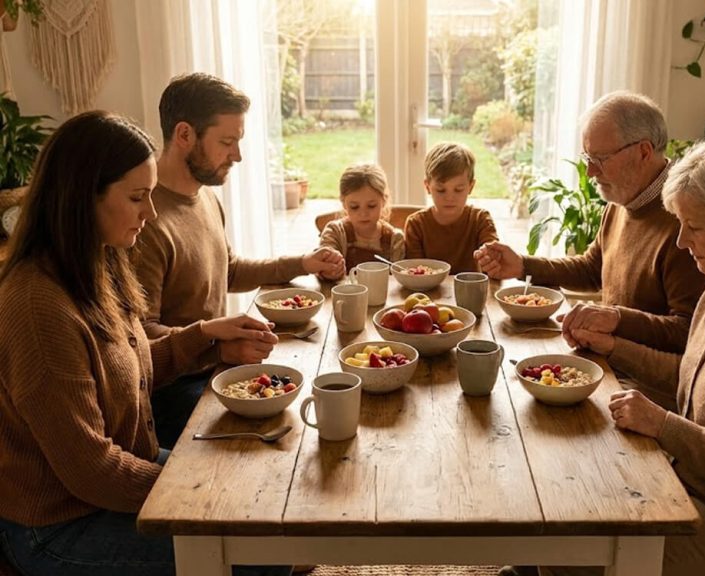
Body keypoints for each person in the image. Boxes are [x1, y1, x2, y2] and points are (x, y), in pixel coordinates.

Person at [0, 111, 290, 576]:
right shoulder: (37, 308)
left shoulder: (98, 260)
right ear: (80, 199)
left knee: (266, 504)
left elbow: (124, 367)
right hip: (58, 524)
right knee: (258, 555)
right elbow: (91, 469)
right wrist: (199, 487)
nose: (150, 213)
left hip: (123, 469)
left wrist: (211, 343)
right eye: (137, 197)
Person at [542, 133, 705, 576]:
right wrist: (614, 348)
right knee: (559, 496)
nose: (681, 241)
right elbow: (693, 377)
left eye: (695, 226)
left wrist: (664, 425)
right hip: (688, 482)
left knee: (575, 550)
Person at [134, 72, 344, 448]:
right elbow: (140, 337)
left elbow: (228, 271)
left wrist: (303, 262)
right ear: (184, 135)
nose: (238, 155)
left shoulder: (203, 198)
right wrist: (217, 349)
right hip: (174, 392)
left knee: (323, 384)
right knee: (296, 433)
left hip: (216, 366)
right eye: (227, 142)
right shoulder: (145, 223)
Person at [475, 91, 705, 409]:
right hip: (606, 364)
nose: (590, 173)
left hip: (646, 393)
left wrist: (613, 319)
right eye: (588, 160)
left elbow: (690, 331)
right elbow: (591, 268)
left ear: (643, 152)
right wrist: (522, 266)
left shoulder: (685, 225)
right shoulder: (624, 201)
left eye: (599, 160)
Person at [405, 141, 499, 273]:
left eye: (458, 190)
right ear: (427, 187)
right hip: (428, 293)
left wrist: (490, 258)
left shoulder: (480, 219)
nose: (449, 198)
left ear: (470, 187)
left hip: (470, 292)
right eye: (441, 190)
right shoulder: (416, 224)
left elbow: (494, 257)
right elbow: (415, 274)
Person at [318, 163, 405, 276]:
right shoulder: (335, 232)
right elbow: (322, 267)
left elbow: (399, 281)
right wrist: (328, 269)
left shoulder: (395, 239)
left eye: (371, 206)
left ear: (384, 201)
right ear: (344, 203)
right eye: (354, 207)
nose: (363, 214)